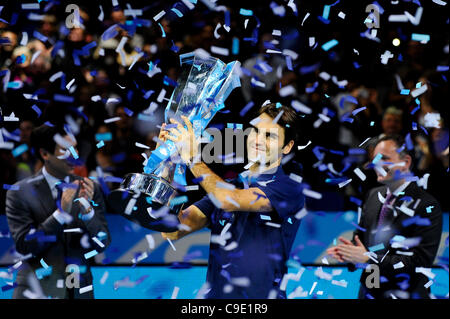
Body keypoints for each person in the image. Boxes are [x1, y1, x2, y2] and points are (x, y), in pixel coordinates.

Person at [159, 103, 305, 299]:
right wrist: (169, 164)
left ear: (287, 147)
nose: (258, 141)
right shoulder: (229, 186)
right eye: (255, 131)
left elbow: (230, 201)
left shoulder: (288, 188)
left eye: (269, 136)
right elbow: (173, 231)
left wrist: (192, 157)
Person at [327, 134, 443, 299]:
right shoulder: (373, 196)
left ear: (406, 162)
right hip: (369, 292)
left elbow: (419, 261)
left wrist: (368, 258)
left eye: (385, 159)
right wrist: (350, 254)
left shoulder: (427, 205)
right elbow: (364, 241)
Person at [5, 124, 111, 299]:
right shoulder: (19, 192)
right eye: (65, 149)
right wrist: (61, 214)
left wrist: (88, 213)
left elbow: (103, 243)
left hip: (79, 291)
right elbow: (24, 245)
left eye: (75, 148)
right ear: (45, 154)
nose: (74, 155)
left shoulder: (90, 188)